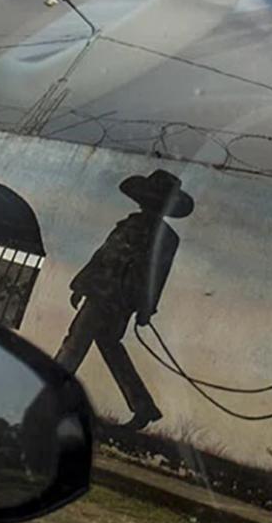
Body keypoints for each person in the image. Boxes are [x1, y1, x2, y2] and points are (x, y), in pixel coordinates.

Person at [55, 168, 193, 432]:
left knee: (75, 344)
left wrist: (145, 308)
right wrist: (81, 285)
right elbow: (104, 255)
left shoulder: (161, 237)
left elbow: (155, 275)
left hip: (111, 300)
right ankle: (143, 406)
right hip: (106, 296)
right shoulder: (133, 225)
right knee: (108, 346)